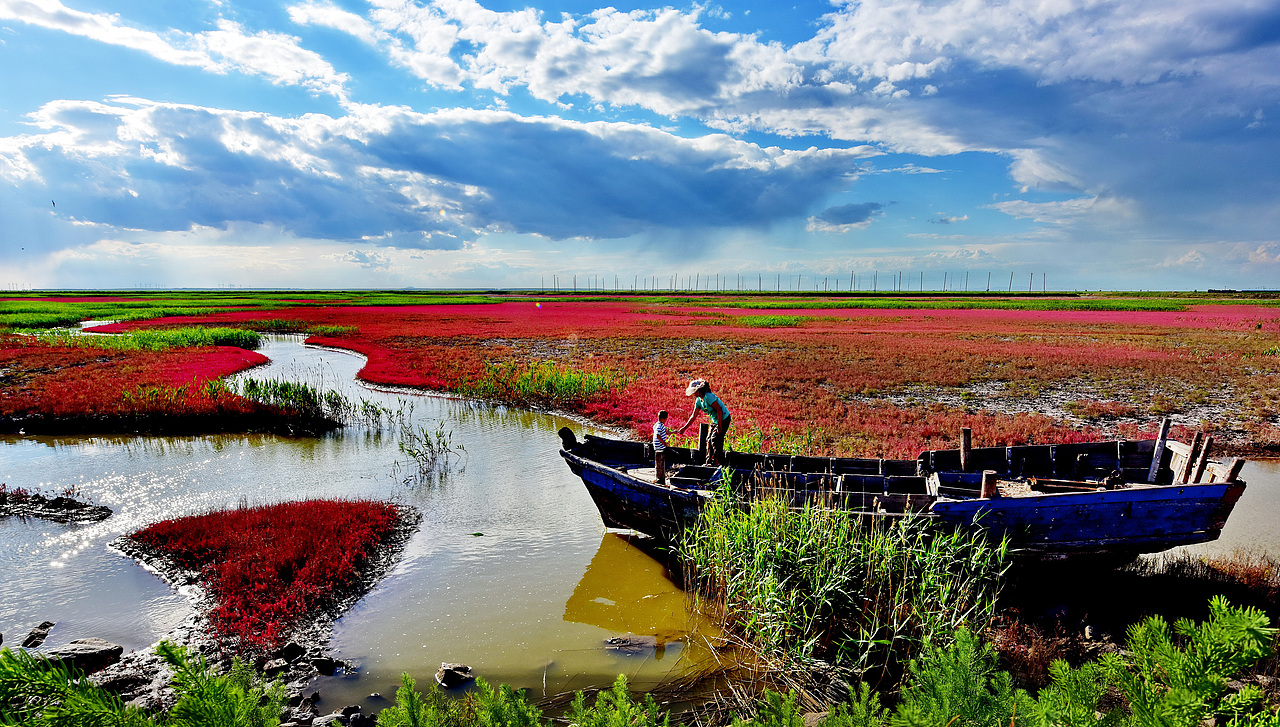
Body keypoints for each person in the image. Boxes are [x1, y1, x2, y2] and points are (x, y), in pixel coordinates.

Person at [677, 379, 731, 465]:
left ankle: (717, 462)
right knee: (709, 439)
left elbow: (719, 410)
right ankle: (709, 460)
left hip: (723, 418)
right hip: (715, 420)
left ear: (698, 391)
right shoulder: (699, 401)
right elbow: (693, 416)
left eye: (694, 391)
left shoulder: (708, 397)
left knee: (716, 439)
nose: (693, 394)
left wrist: (720, 425)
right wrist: (684, 428)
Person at [652, 409, 671, 485]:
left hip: (658, 446)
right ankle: (660, 478)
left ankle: (660, 477)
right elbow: (657, 434)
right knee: (660, 462)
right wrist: (664, 443)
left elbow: (665, 432)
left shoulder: (658, 424)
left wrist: (673, 432)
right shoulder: (659, 426)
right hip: (659, 446)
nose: (666, 420)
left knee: (660, 462)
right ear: (663, 418)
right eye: (666, 418)